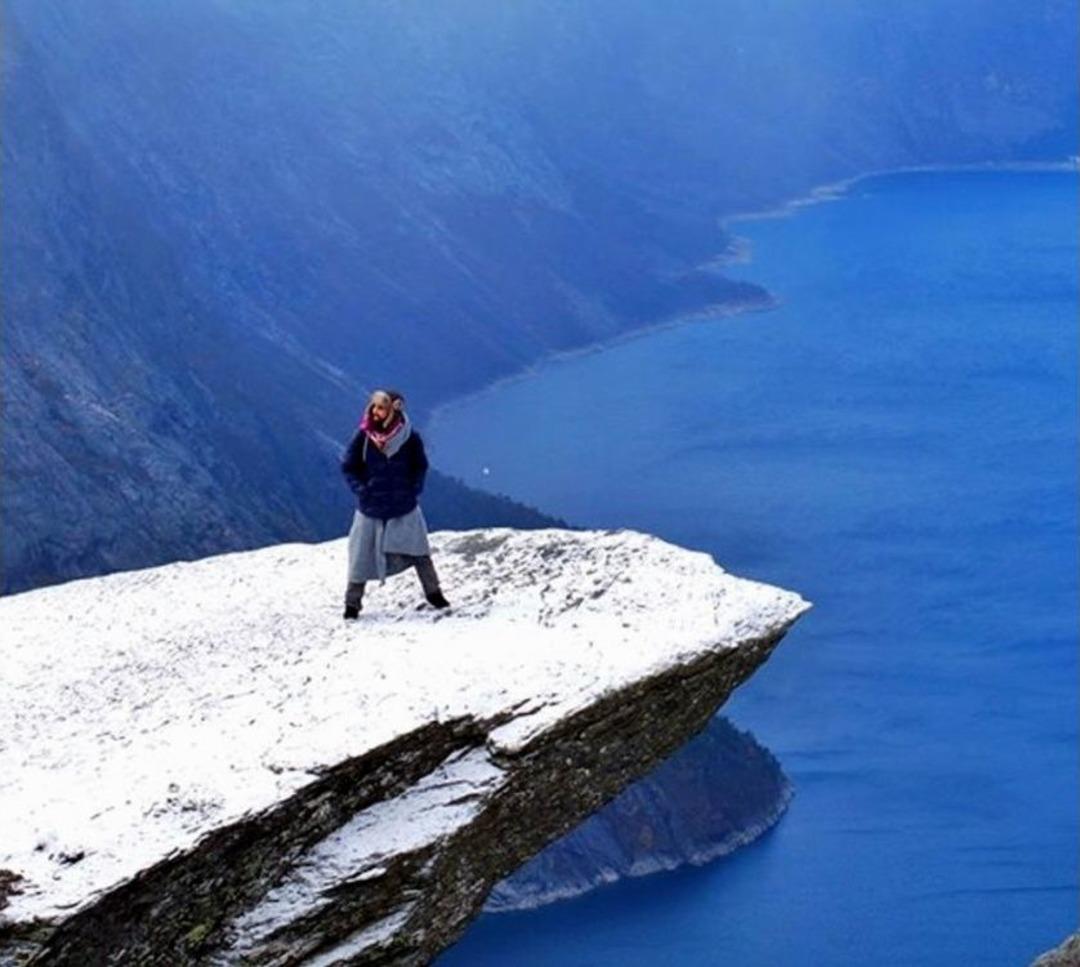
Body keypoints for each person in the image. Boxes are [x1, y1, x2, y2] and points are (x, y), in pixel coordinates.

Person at [340, 389, 450, 618]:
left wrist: (414, 489)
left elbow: (420, 466)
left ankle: (434, 594)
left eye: (381, 407)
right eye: (373, 406)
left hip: (403, 506)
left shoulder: (410, 438)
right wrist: (362, 490)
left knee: (420, 552)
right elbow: (349, 467)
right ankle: (352, 605)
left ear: (393, 410)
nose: (375, 411)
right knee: (359, 556)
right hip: (371, 508)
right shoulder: (364, 437)